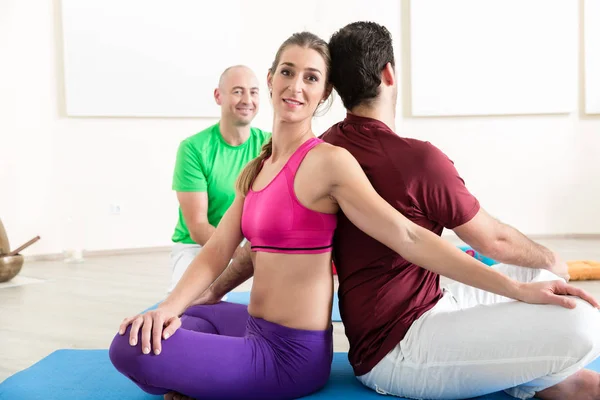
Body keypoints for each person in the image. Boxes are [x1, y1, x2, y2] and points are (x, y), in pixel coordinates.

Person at [109, 31, 598, 400]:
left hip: (289, 354)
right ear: (271, 77)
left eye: (311, 77)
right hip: (258, 328)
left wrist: (515, 289)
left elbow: (407, 235)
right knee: (171, 319)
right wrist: (170, 308)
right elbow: (219, 249)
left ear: (324, 96)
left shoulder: (328, 161)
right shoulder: (261, 163)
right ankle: (193, 371)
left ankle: (197, 379)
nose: (294, 85)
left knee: (128, 349)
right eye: (286, 71)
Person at [319, 21, 600, 400]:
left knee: (540, 275)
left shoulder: (326, 148)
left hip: (431, 301)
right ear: (389, 72)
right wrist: (555, 257)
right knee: (583, 321)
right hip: (400, 349)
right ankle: (549, 376)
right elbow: (494, 240)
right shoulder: (417, 159)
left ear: (335, 87)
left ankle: (546, 380)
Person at [169, 65, 270, 293]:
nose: (247, 99)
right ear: (218, 96)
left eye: (253, 92)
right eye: (237, 91)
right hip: (197, 246)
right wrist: (241, 257)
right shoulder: (193, 149)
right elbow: (198, 227)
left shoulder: (270, 145)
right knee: (188, 309)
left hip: (250, 247)